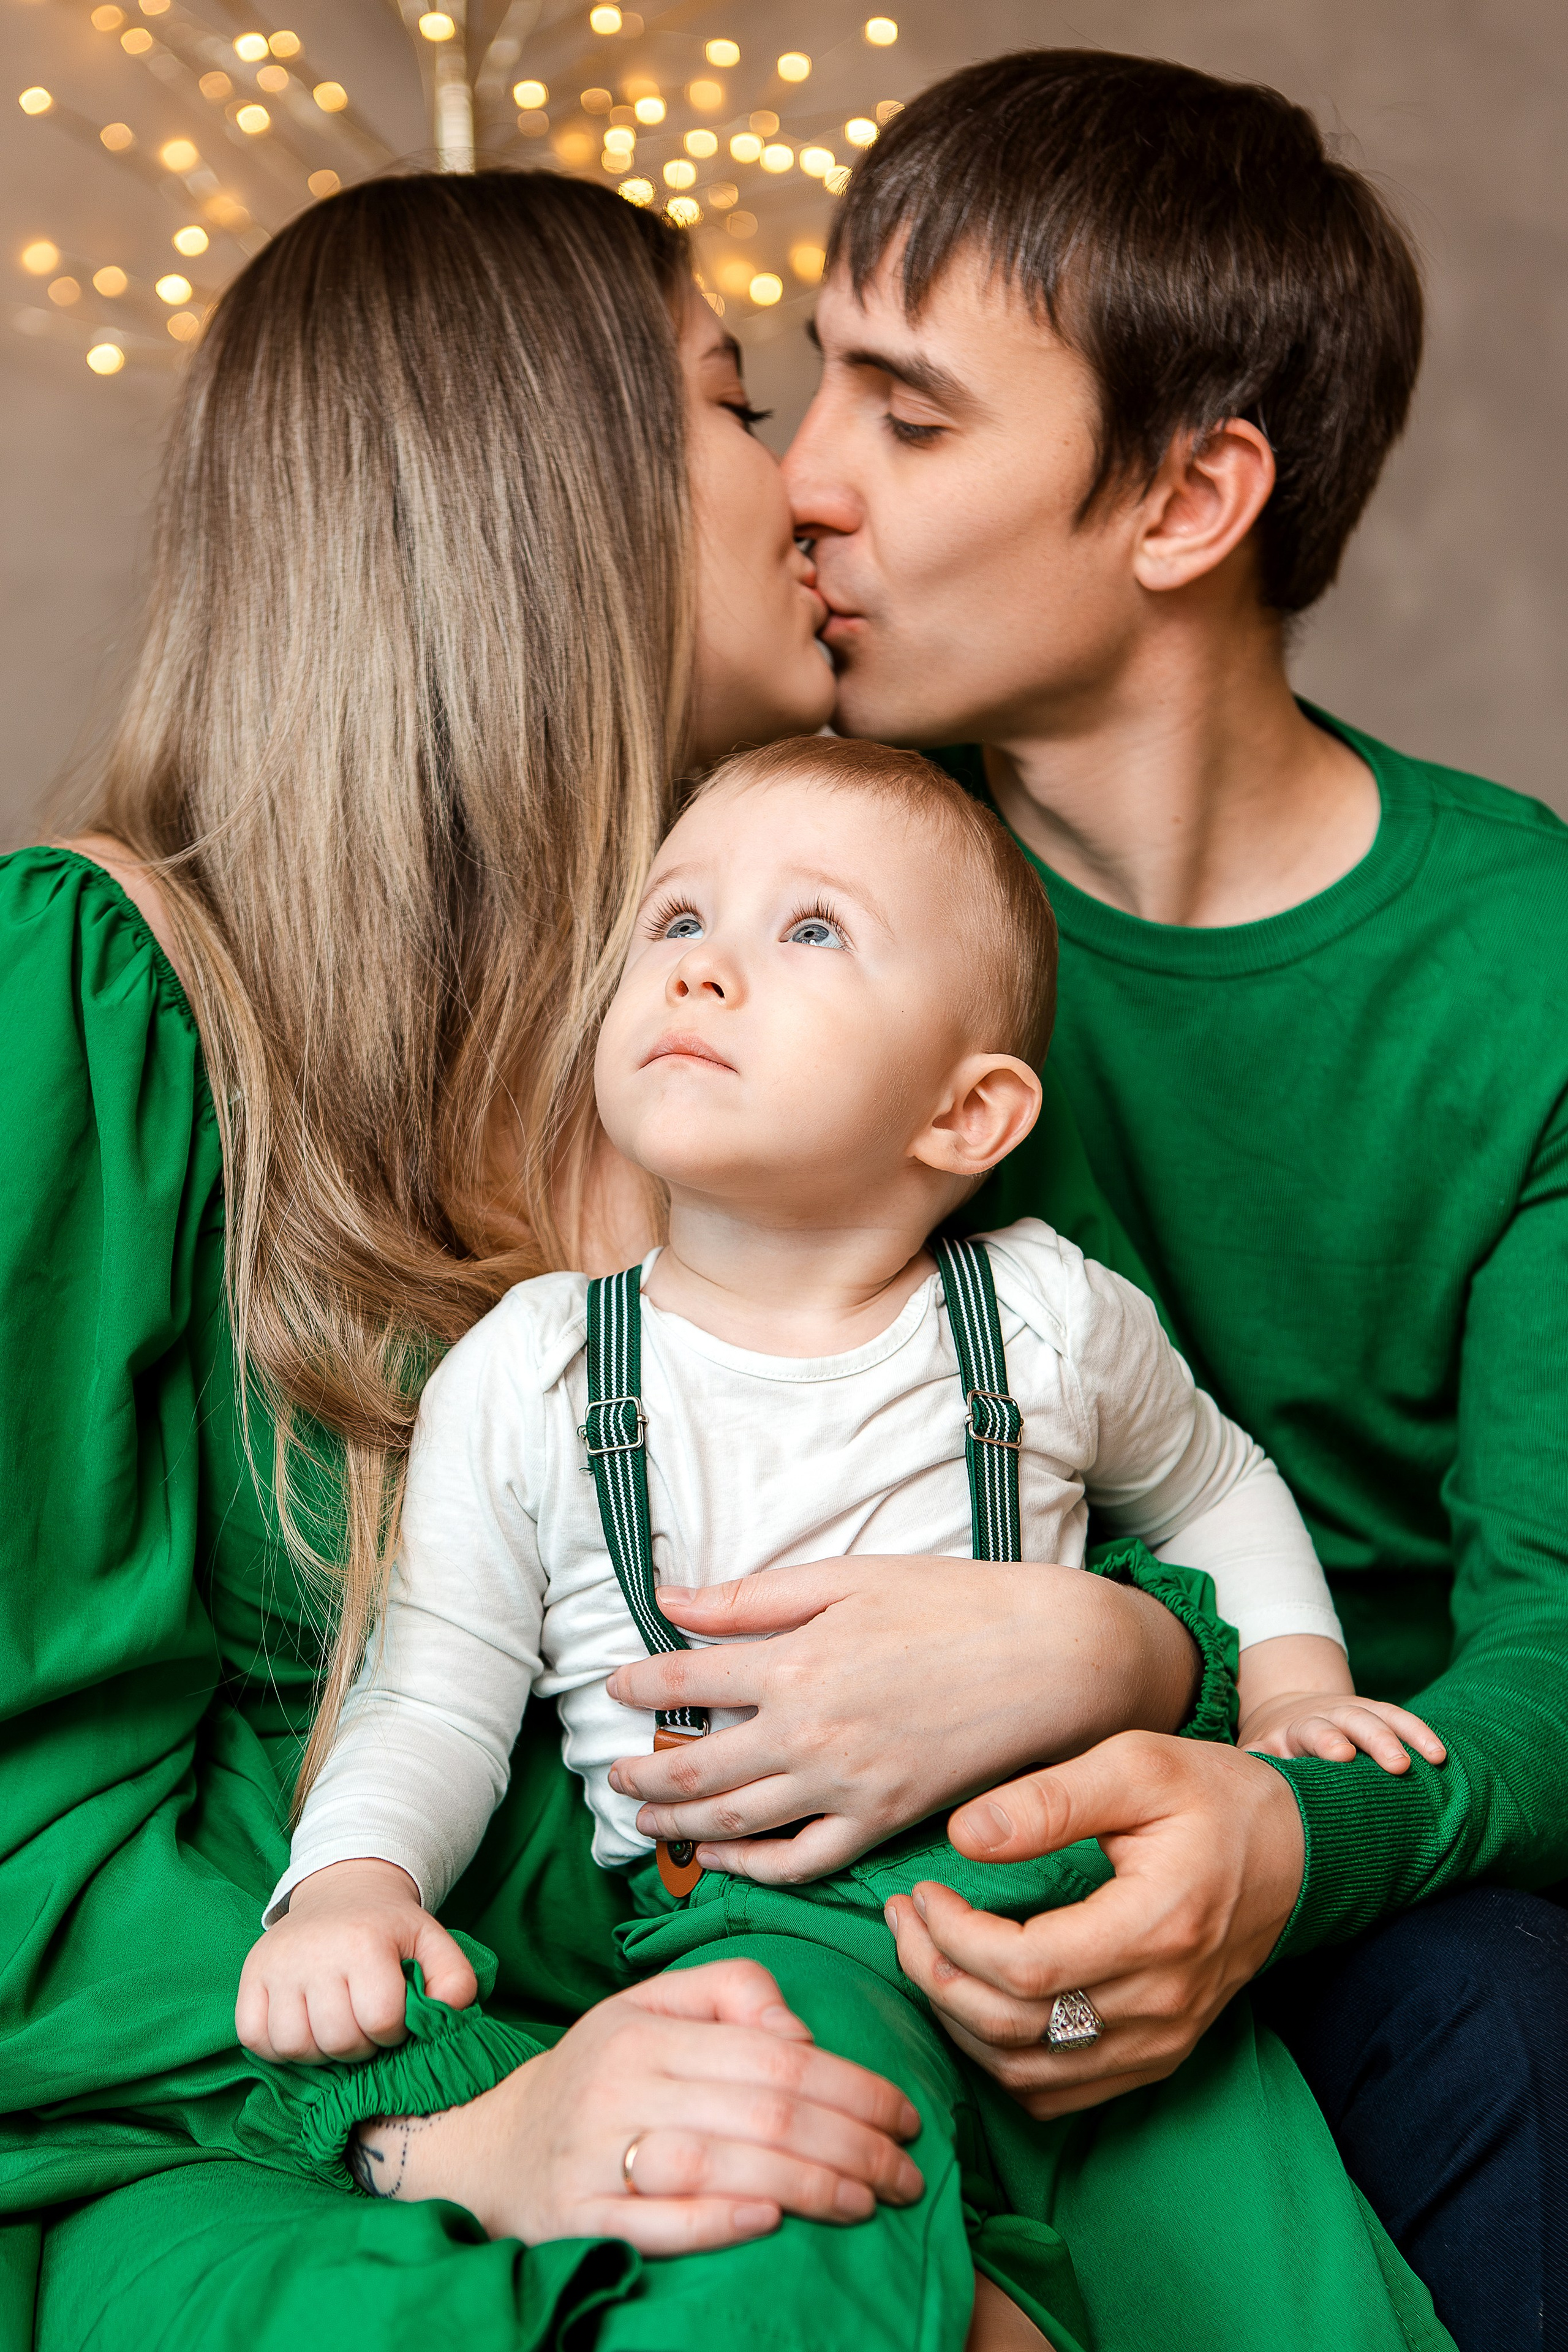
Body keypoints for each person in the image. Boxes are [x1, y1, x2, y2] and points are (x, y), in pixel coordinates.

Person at [0, 165, 1368, 2352]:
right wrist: (474, 2118)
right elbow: (29, 1861)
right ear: (542, 495)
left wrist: (1133, 1663)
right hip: (248, 2126)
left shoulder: (852, 1009)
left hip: (792, 2010)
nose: (815, 487)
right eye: (741, 405)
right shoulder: (100, 1001)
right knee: (784, 2214)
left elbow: (1116, 1474)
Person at [606, 47, 1568, 2352]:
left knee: (1512, 2024)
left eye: (911, 419)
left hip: (1359, 1880)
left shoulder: (1518, 964)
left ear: (1187, 501)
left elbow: (1552, 1651)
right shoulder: (767, 889)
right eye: (811, 380)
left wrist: (1269, 1810)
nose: (806, 483)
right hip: (866, 1869)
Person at [234, 736, 1449, 2349]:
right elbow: (437, 1683)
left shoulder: (1048, 1319)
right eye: (675, 922)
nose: (705, 973)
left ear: (965, 1110)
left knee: (1273, 2278)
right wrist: (351, 1887)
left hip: (1072, 1929)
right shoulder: (532, 1371)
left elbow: (1219, 1491)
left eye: (808, 932)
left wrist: (1294, 1702)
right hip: (765, 1930)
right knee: (791, 2224)